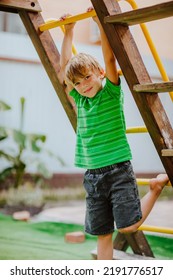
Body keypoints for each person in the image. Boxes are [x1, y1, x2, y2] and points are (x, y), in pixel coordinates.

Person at [59, 8, 169, 260]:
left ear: (98, 74)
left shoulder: (110, 92)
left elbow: (110, 60)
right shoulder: (80, 99)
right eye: (77, 83)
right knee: (102, 232)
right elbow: (65, 69)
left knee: (129, 225)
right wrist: (68, 33)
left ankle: (154, 188)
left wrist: (99, 22)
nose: (83, 85)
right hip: (93, 175)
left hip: (118, 169)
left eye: (87, 77)